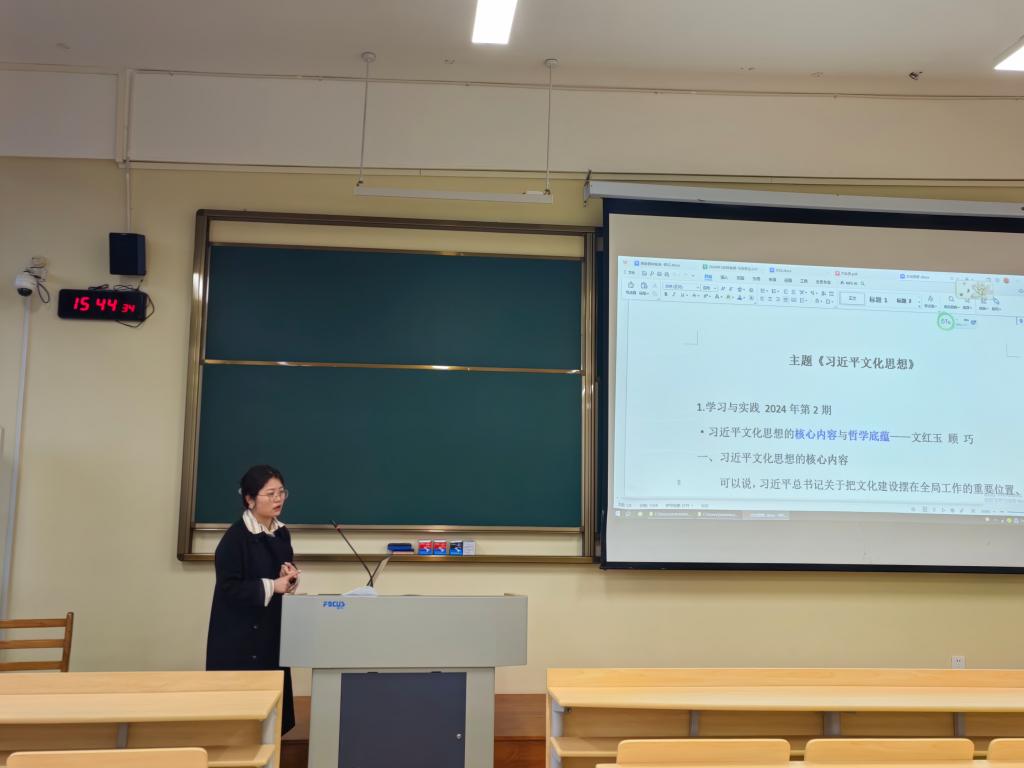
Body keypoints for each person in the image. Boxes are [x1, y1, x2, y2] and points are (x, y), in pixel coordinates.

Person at [206, 464, 299, 734]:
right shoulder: (235, 538)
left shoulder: (281, 532)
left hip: (270, 630)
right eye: (270, 494)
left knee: (273, 715)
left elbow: (280, 575)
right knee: (241, 717)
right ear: (249, 499)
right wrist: (273, 585)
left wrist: (289, 578)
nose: (278, 499)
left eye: (281, 492)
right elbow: (229, 588)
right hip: (239, 636)